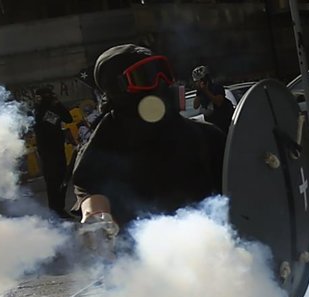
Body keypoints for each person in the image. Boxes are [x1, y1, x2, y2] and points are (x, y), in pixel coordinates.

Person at [71, 44, 226, 244]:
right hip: (144, 265)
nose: (160, 83)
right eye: (145, 76)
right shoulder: (107, 144)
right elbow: (89, 186)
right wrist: (95, 219)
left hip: (214, 258)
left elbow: (241, 192)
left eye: (162, 72)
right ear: (117, 88)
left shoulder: (207, 136)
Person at [33, 87, 74, 219]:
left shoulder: (55, 108)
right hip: (47, 151)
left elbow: (69, 119)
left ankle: (60, 208)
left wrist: (58, 104)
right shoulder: (38, 111)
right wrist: (45, 104)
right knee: (52, 181)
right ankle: (54, 211)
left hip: (58, 148)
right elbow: (39, 120)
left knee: (62, 179)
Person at [191, 65, 234, 134]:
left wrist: (206, 91)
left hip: (223, 121)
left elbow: (218, 102)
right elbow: (195, 106)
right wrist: (199, 91)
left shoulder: (216, 87)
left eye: (198, 81)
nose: (197, 83)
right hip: (212, 123)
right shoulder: (200, 92)